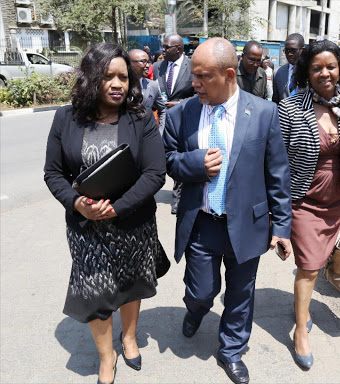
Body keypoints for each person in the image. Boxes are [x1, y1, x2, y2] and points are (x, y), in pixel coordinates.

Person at [163, 37, 292, 384]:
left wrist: (281, 228)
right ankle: (196, 310)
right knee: (201, 290)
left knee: (241, 292)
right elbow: (168, 160)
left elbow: (278, 174)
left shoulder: (264, 113)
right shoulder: (182, 113)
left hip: (248, 224)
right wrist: (194, 164)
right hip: (202, 223)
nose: (195, 83)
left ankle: (231, 350)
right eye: (194, 75)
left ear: (229, 74)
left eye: (204, 77)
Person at [43, 43, 168, 384]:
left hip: (133, 222)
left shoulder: (140, 118)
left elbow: (155, 173)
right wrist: (76, 202)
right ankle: (106, 355)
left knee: (130, 286)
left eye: (123, 77)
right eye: (108, 76)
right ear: (90, 78)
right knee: (96, 293)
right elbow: (53, 173)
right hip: (87, 227)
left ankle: (128, 338)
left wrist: (116, 207)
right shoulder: (64, 118)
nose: (118, 84)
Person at [278, 39, 340, 369]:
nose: (325, 73)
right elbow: (277, 164)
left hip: (337, 200)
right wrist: (278, 214)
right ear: (307, 71)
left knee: (310, 265)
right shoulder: (290, 108)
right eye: (317, 68)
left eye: (331, 66)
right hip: (303, 200)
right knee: (311, 266)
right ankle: (301, 330)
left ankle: (301, 307)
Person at [153, 34, 195, 214]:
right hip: (163, 119)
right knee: (165, 156)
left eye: (166, 47)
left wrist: (181, 103)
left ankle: (178, 198)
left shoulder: (192, 66)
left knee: (180, 155)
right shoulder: (157, 67)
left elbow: (199, 92)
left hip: (185, 117)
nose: (162, 50)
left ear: (178, 48)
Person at [129, 49, 166, 135]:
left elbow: (163, 110)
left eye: (148, 62)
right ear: (129, 63)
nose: (148, 66)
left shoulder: (153, 86)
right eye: (143, 62)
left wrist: (160, 132)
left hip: (146, 137)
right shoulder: (121, 86)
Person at [272, 33, 305, 103]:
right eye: (287, 51)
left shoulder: (310, 72)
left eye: (293, 51)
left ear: (302, 50)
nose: (289, 54)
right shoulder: (278, 73)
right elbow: (275, 100)